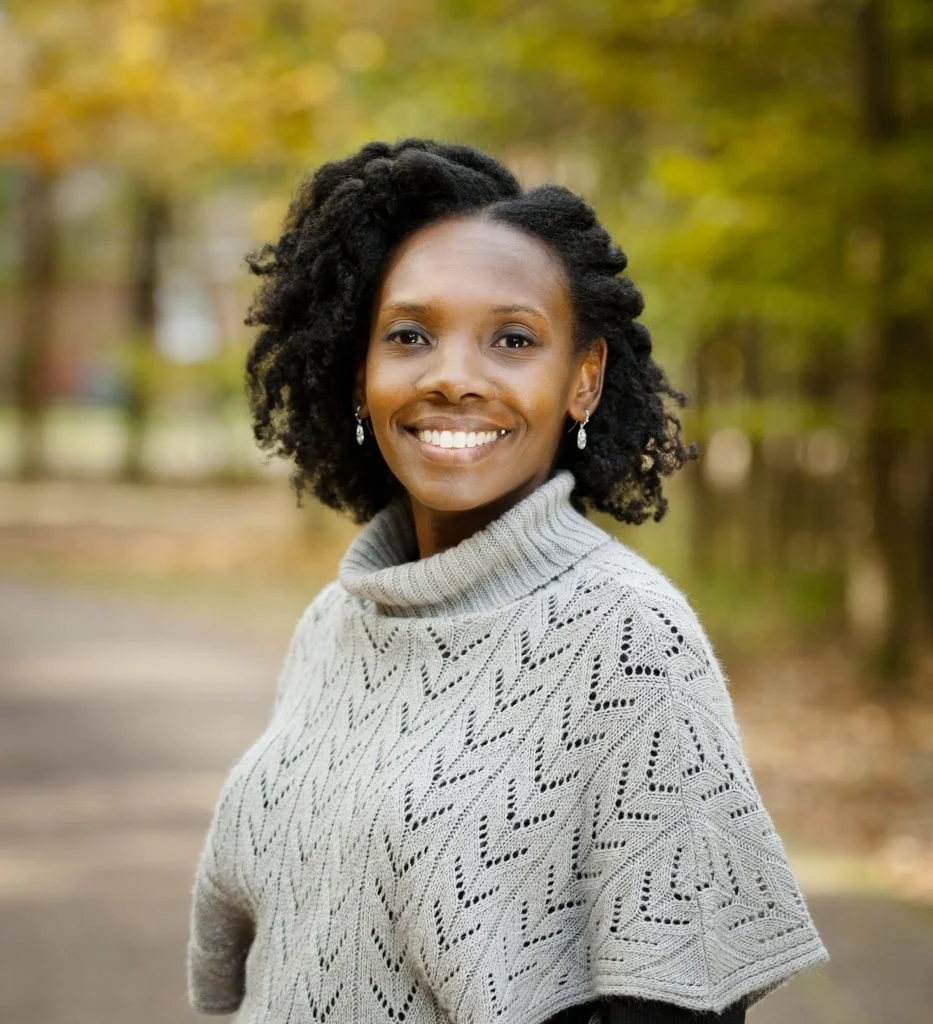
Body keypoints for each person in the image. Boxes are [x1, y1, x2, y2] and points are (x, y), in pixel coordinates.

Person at [186, 139, 829, 1024]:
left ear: (583, 379)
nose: (452, 376)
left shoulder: (626, 638)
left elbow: (680, 1001)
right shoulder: (337, 622)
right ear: (358, 374)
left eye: (512, 339)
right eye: (409, 336)